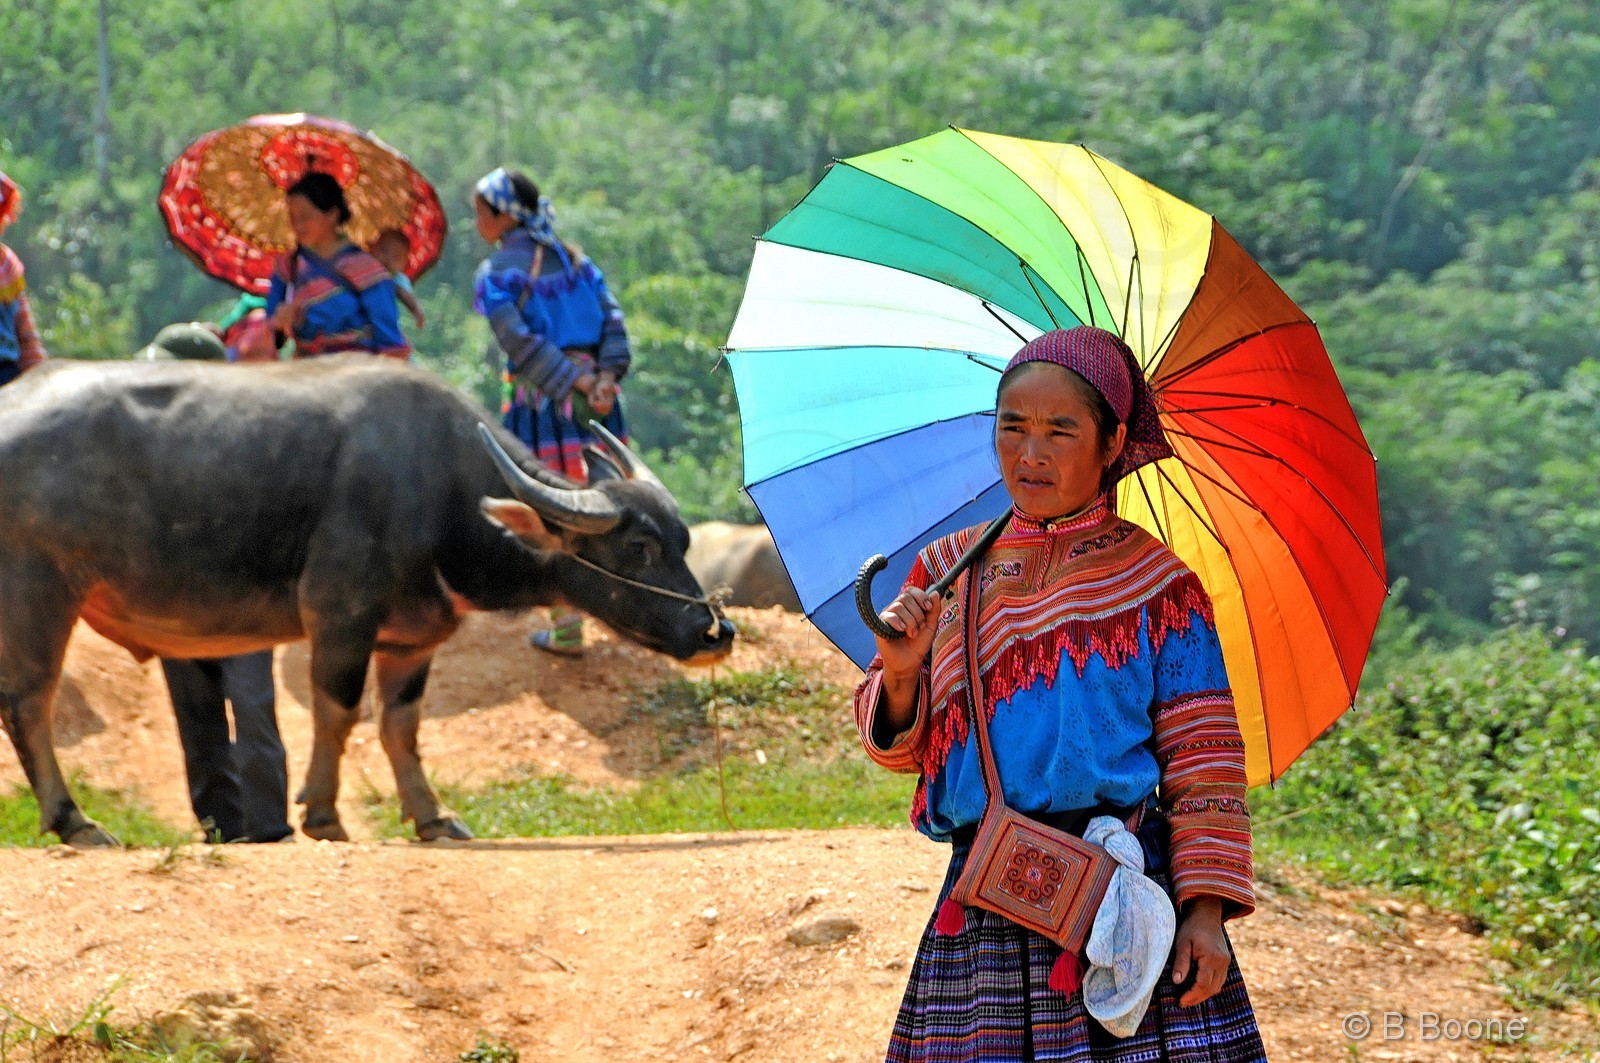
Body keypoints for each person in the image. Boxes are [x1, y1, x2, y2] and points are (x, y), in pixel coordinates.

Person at [855, 326, 1265, 1061]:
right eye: (1011, 427)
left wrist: (1205, 913)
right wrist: (905, 670)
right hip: (988, 893)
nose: (1029, 454)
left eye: (1059, 431)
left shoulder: (1159, 586)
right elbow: (902, 754)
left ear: (1111, 443)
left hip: (1121, 893)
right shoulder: (948, 572)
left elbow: (1204, 758)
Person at [141, 322, 294, 843]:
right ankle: (222, 833)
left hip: (242, 600)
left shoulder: (249, 435)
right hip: (176, 602)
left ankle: (269, 831)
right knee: (198, 719)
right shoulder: (143, 445)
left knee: (251, 710)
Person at [472, 166, 632, 657]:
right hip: (598, 406)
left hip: (544, 404)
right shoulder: (579, 263)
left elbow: (520, 344)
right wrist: (604, 379)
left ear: (503, 215)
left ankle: (566, 627)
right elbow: (612, 319)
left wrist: (573, 381)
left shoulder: (498, 274)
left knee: (553, 512)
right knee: (603, 502)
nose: (475, 221)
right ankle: (621, 609)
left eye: (480, 211)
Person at [265, 172, 410, 360]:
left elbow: (387, 335)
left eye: (305, 216)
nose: (297, 225)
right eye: (292, 217)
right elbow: (272, 337)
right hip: (306, 369)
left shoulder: (365, 268)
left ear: (332, 214)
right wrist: (278, 324)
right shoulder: (287, 266)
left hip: (355, 369)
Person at [0, 169, 47, 388]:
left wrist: (41, 380)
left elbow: (26, 335)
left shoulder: (7, 264)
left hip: (8, 374)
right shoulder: (6, 263)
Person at [369, 228, 425, 330]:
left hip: (383, 322)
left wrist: (416, 309)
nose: (388, 259)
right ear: (372, 247)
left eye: (396, 257)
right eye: (384, 250)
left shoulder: (397, 279)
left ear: (405, 265)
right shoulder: (363, 265)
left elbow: (405, 294)